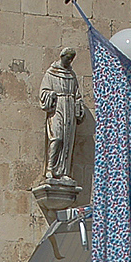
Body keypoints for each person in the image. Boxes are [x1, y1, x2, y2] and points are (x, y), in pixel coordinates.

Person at [39, 46, 86, 184]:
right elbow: (43, 92)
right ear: (62, 57)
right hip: (57, 107)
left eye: (71, 59)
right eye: (67, 58)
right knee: (57, 138)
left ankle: (64, 172)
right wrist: (51, 95)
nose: (69, 61)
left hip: (69, 109)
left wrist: (79, 105)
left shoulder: (72, 75)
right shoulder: (51, 73)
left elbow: (77, 95)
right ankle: (50, 169)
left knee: (68, 141)